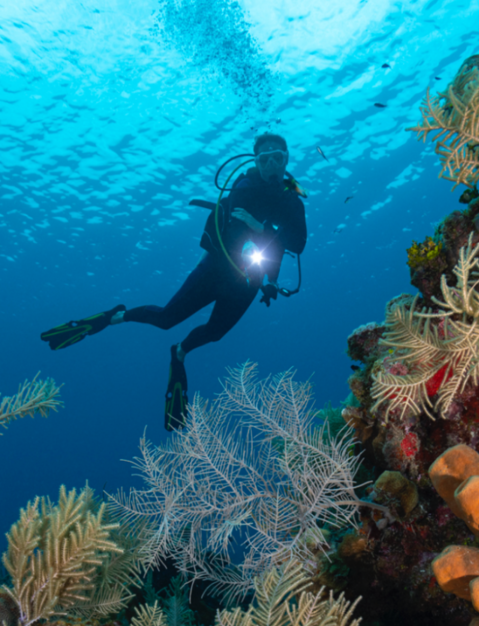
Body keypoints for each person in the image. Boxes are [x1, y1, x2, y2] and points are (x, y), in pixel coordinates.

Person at [41, 133, 308, 430]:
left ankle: (179, 353)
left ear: (286, 159)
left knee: (215, 333)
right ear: (255, 161)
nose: (271, 165)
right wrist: (265, 234)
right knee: (167, 318)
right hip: (218, 267)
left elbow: (298, 243)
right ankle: (113, 316)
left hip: (249, 280)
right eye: (264, 159)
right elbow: (236, 231)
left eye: (278, 158)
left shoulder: (292, 199)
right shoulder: (244, 186)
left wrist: (264, 249)